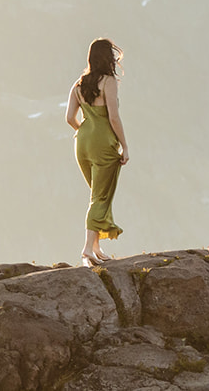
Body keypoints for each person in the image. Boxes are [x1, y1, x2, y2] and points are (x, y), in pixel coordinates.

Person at [65, 38, 128, 266]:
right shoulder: (108, 82)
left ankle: (96, 246)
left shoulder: (79, 84)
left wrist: (85, 130)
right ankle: (86, 250)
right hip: (103, 142)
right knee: (100, 196)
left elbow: (69, 118)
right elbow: (113, 117)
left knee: (96, 194)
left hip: (82, 143)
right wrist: (125, 145)